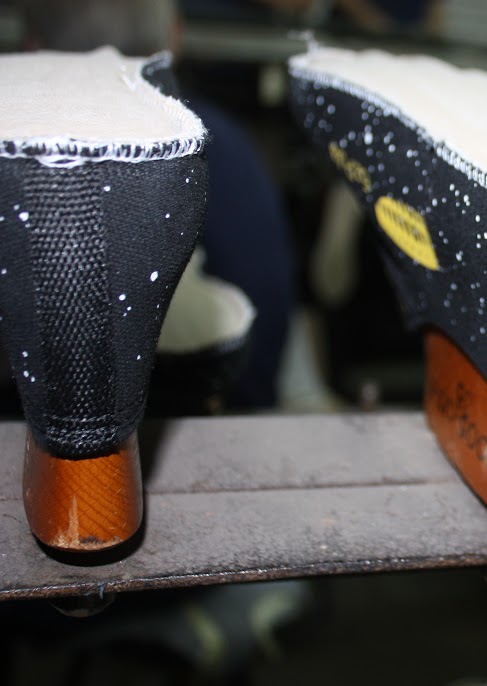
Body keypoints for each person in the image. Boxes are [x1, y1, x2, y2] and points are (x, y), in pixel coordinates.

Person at [21, 0, 298, 409]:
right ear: (175, 36)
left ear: (32, 48)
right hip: (196, 409)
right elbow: (264, 307)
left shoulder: (20, 152)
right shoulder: (217, 146)